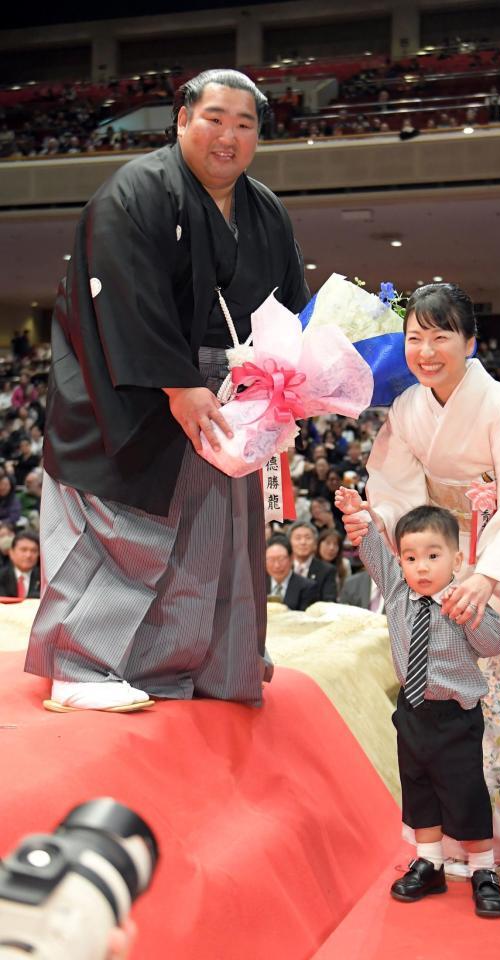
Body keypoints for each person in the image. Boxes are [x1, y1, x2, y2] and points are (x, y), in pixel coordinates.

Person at [24, 69, 308, 712]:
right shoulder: (138, 190)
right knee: (130, 526)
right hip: (133, 386)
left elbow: (288, 307)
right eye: (214, 118)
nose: (228, 136)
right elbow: (124, 294)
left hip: (226, 393)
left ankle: (198, 664)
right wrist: (180, 384)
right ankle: (80, 667)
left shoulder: (265, 210)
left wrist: (289, 379)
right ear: (181, 120)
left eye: (245, 124)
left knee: (212, 535)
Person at [343, 283, 500, 875]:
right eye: (415, 337)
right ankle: (443, 843)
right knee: (446, 711)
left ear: (470, 341)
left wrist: (488, 577)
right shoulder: (410, 409)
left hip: (497, 568)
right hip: (439, 567)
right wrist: (373, 519)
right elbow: (393, 490)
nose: (427, 350)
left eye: (442, 336)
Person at [337, 490, 500, 917]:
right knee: (418, 788)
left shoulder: (464, 600)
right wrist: (359, 515)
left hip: (456, 715)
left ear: (456, 560)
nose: (421, 567)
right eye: (411, 558)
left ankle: (483, 869)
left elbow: (494, 644)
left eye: (433, 556)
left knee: (465, 790)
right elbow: (375, 549)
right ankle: (429, 862)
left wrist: (469, 613)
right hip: (412, 711)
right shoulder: (397, 592)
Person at [265, 535, 318, 611]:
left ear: (291, 558)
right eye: (271, 559)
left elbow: (305, 619)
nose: (276, 565)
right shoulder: (256, 586)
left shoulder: (308, 587)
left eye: (281, 559)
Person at [287, 521, 337, 601]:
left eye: (308, 538)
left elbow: (329, 602)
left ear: (315, 543)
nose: (303, 542)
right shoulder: (282, 567)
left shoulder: (327, 570)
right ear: (289, 543)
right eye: (298, 538)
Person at [0, 531, 40, 599]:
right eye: (23, 550)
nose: (28, 555)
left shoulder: (44, 578)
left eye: (34, 551)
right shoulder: (1, 577)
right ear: (11, 553)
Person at [316, 527, 351, 594]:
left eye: (335, 544)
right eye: (327, 543)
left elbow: (346, 591)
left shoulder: (344, 564)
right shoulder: (311, 562)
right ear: (319, 544)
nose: (331, 548)